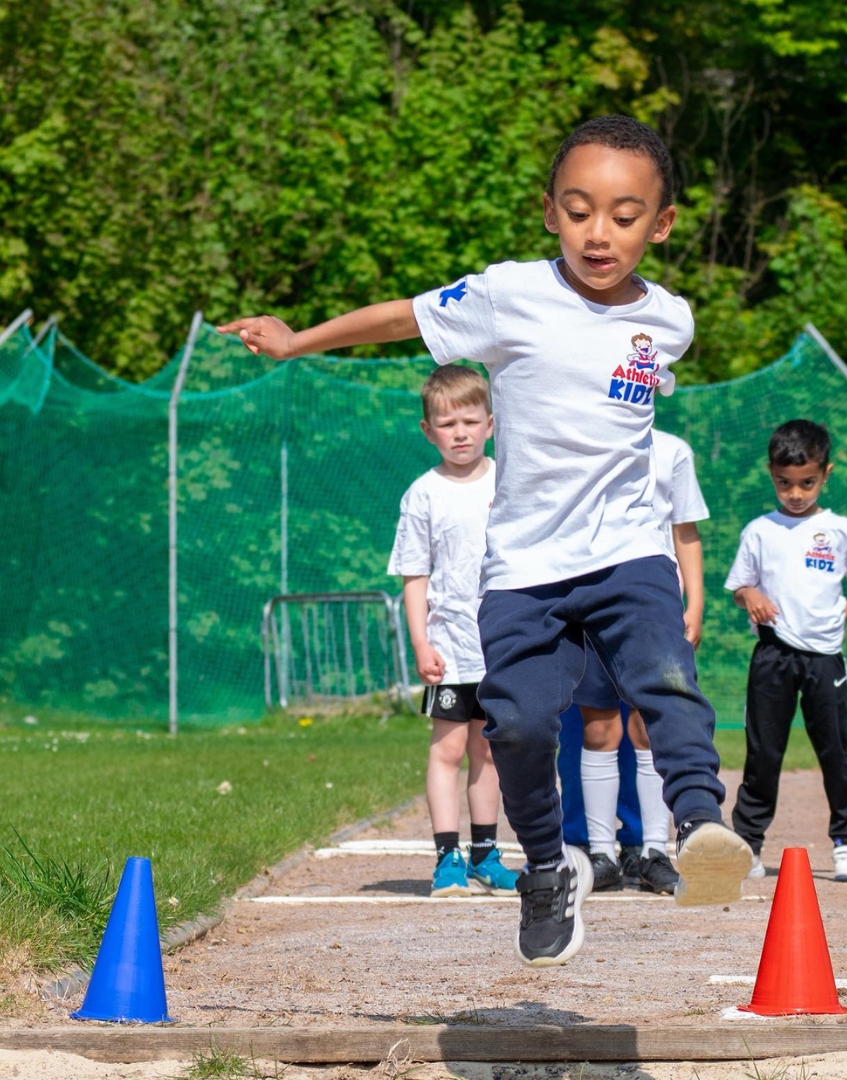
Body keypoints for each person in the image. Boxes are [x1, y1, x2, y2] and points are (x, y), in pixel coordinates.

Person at [217, 113, 752, 969]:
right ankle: (545, 871)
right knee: (518, 725)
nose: (599, 232)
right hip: (526, 569)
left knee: (666, 679)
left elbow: (637, 383)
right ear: (550, 213)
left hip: (628, 552)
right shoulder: (510, 294)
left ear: (662, 223)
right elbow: (403, 315)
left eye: (623, 215)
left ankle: (699, 825)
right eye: (579, 211)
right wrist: (298, 341)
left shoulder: (669, 320)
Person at [724, 419, 847, 884]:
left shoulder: (842, 531)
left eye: (807, 483)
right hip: (773, 657)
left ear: (826, 473)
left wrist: (843, 612)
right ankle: (748, 845)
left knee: (834, 751)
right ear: (771, 475)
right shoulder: (759, 530)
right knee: (763, 753)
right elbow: (740, 586)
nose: (795, 493)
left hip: (823, 659)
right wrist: (749, 596)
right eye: (784, 483)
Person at [387, 364, 518, 898]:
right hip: (450, 650)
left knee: (489, 751)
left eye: (469, 420)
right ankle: (448, 858)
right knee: (447, 751)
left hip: (502, 646)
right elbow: (414, 574)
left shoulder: (509, 477)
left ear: (490, 423)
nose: (459, 432)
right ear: (427, 430)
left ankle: (487, 853)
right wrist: (421, 641)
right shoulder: (423, 494)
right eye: (446, 423)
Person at [565, 428, 710, 896]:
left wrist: (696, 604)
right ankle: (602, 853)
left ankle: (653, 851)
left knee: (650, 725)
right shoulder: (584, 440)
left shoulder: (672, 451)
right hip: (589, 599)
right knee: (599, 727)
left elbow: (685, 532)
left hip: (654, 605)